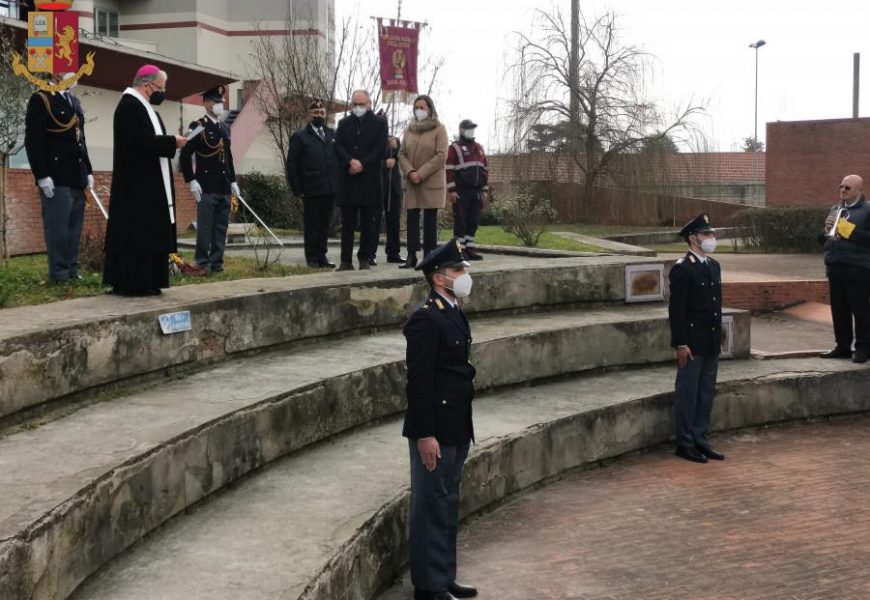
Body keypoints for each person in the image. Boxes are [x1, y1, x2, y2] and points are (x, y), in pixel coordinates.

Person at [403, 238, 478, 600]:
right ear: (438, 278)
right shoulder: (425, 319)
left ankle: (445, 575)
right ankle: (428, 586)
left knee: (447, 503)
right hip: (435, 429)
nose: (463, 276)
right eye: (457, 270)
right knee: (429, 506)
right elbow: (418, 384)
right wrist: (424, 435)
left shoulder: (453, 310)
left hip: (457, 424)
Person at [103, 65, 187, 296]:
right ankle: (134, 283)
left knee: (149, 231)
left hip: (149, 181)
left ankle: (150, 280)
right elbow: (142, 142)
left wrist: (170, 142)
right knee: (137, 233)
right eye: (160, 87)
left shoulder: (146, 109)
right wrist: (173, 142)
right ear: (145, 84)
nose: (162, 92)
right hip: (136, 185)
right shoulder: (129, 107)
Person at [24, 72, 94, 283]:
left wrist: (88, 170)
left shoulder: (74, 101)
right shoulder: (41, 99)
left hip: (76, 174)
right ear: (57, 74)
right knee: (58, 228)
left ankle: (72, 270)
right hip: (56, 175)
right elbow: (34, 141)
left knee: (74, 227)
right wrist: (42, 175)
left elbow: (80, 139)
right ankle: (59, 274)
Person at [668, 213, 726, 464]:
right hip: (691, 343)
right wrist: (681, 343)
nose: (711, 238)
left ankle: (700, 439)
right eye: (706, 234)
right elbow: (677, 311)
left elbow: (716, 305)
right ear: (692, 238)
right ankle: (685, 443)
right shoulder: (683, 268)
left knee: (705, 393)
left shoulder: (713, 265)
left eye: (711, 234)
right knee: (688, 393)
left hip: (710, 340)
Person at [179, 84, 239, 274]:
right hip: (205, 185)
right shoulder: (198, 125)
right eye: (215, 101)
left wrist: (233, 180)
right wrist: (191, 180)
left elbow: (228, 156)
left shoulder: (223, 127)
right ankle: (202, 262)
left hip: (223, 186)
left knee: (221, 226)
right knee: (205, 226)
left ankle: (217, 262)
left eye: (221, 102)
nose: (219, 105)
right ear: (206, 103)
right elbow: (184, 154)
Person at [333, 89, 387, 271]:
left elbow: (380, 149)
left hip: (369, 178)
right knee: (347, 222)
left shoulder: (380, 123)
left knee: (368, 221)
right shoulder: (344, 123)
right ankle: (345, 260)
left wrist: (362, 163)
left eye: (361, 104)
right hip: (348, 178)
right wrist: (350, 161)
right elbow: (338, 146)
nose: (357, 107)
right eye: (354, 104)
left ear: (369, 104)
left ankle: (364, 258)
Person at [820, 174, 870, 363]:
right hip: (835, 265)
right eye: (841, 186)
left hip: (858, 268)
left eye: (847, 188)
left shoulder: (867, 210)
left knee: (860, 310)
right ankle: (842, 346)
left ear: (859, 190)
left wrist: (848, 230)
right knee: (839, 310)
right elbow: (829, 237)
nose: (842, 190)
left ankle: (863, 348)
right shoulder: (836, 208)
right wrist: (825, 232)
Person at [286, 99, 338, 268]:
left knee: (324, 225)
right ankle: (312, 257)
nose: (319, 116)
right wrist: (296, 188)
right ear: (309, 115)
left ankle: (322, 255)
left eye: (321, 113)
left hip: (329, 188)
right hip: (311, 187)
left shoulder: (331, 134)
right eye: (315, 113)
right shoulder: (300, 136)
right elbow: (292, 164)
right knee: (312, 225)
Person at [398, 95, 448, 269]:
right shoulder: (409, 129)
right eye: (416, 107)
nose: (419, 110)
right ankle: (411, 256)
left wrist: (421, 173)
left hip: (430, 181)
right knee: (411, 218)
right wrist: (411, 172)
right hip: (412, 181)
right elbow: (401, 153)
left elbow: (441, 155)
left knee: (429, 220)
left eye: (422, 107)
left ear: (430, 109)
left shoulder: (439, 129)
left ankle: (429, 257)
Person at [446, 119, 488, 261]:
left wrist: (485, 189)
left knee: (473, 221)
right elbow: (449, 169)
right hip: (461, 191)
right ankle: (459, 250)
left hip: (476, 191)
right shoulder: (454, 148)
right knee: (460, 222)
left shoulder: (479, 148)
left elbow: (485, 169)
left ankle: (470, 248)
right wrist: (451, 190)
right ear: (461, 130)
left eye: (473, 128)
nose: (471, 131)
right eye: (469, 128)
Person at [373, 129, 405, 264]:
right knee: (374, 221)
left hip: (394, 186)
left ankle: (393, 253)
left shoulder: (395, 141)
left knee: (394, 222)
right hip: (378, 184)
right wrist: (384, 164)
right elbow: (369, 162)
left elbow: (403, 158)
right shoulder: (372, 141)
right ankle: (370, 253)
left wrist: (396, 149)